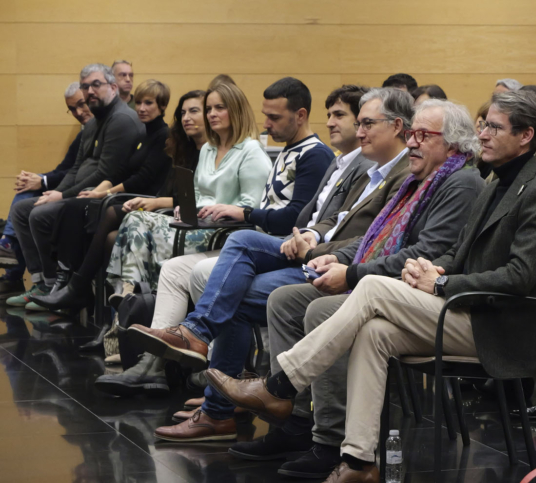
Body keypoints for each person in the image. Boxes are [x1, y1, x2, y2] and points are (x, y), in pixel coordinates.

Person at [205, 89, 536, 483]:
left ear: (526, 136)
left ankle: (281, 384)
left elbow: (519, 278)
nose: (482, 134)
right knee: (374, 331)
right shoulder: (494, 184)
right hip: (466, 309)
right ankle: (359, 463)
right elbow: (457, 254)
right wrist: (432, 270)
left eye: (494, 128)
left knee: (374, 287)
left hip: (499, 326)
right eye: (484, 125)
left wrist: (443, 282)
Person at [136, 99, 484, 443]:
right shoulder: (412, 176)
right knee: (244, 265)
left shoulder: (447, 180)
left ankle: (305, 424)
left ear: (452, 141)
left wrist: (342, 265)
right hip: (339, 260)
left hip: (394, 286)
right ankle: (260, 408)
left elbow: (423, 252)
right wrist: (324, 248)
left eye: (422, 134)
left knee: (266, 292)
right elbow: (362, 231)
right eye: (413, 133)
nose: (412, 141)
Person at [94, 85, 374, 397]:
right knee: (169, 260)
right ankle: (159, 362)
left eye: (344, 117)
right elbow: (313, 218)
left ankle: (210, 365)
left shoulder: (317, 155)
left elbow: (300, 219)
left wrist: (248, 214)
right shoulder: (327, 159)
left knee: (219, 262)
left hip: (283, 244)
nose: (266, 123)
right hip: (276, 240)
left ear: (299, 115)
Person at [103, 80, 271, 295]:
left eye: (219, 108)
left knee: (148, 235)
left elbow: (252, 206)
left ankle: (139, 295)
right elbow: (198, 193)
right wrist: (187, 208)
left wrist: (217, 211)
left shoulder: (251, 150)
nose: (211, 114)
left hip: (226, 230)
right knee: (136, 218)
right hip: (199, 223)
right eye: (209, 109)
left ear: (236, 111)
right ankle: (128, 291)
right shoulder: (209, 148)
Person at [8, 64, 144, 303]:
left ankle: (54, 285)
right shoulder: (92, 124)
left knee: (39, 215)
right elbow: (75, 169)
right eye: (85, 86)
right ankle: (41, 283)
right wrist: (56, 193)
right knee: (22, 209)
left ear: (113, 87)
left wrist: (61, 197)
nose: (89, 91)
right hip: (77, 194)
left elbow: (106, 174)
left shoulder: (121, 119)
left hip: (99, 198)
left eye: (96, 84)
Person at [34, 80, 174, 311]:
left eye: (148, 103)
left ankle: (76, 287)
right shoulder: (144, 134)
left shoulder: (163, 135)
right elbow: (122, 171)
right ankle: (68, 278)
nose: (141, 108)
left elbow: (143, 179)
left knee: (97, 209)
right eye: (138, 102)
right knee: (76, 204)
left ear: (162, 105)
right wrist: (97, 191)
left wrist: (106, 193)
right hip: (127, 196)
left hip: (143, 199)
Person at [0, 83, 92, 293]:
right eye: (72, 109)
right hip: (71, 188)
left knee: (28, 207)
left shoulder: (106, 129)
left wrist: (42, 181)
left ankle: (19, 269)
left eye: (82, 104)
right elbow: (67, 169)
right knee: (24, 196)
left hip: (88, 194)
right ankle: (33, 279)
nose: (78, 112)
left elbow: (82, 174)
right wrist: (38, 179)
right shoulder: (84, 133)